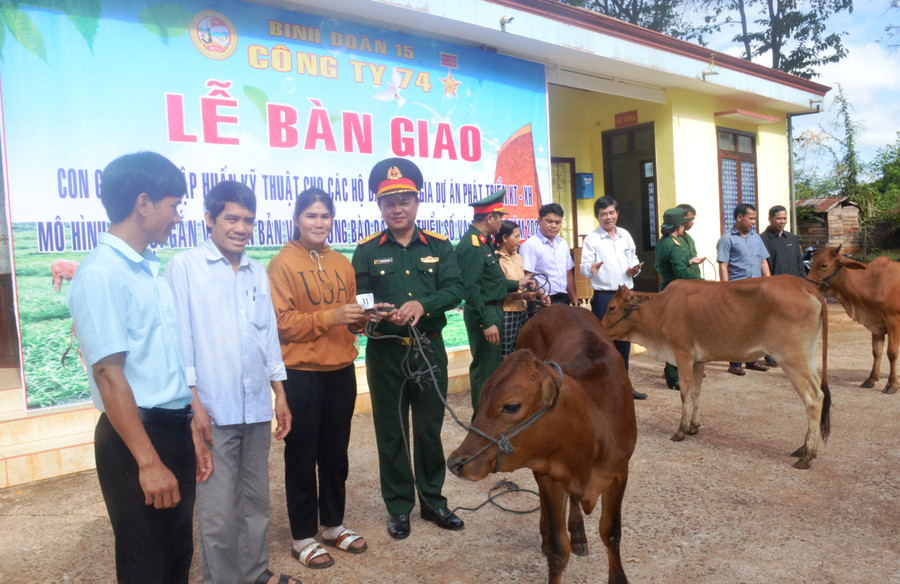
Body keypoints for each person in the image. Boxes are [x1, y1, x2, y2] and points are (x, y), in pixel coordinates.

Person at [67, 151, 211, 584]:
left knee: (176, 557)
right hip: (135, 440)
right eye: (174, 205)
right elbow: (109, 374)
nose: (178, 216)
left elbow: (162, 362)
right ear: (144, 203)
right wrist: (148, 462)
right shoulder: (102, 274)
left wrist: (190, 421)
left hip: (171, 429)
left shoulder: (148, 271)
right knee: (145, 563)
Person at [165, 181, 297, 584]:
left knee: (256, 503)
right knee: (218, 511)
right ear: (209, 219)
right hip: (213, 411)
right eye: (232, 219)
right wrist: (194, 405)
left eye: (249, 221)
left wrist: (280, 395)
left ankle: (256, 573)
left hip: (256, 405)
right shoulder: (185, 268)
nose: (241, 228)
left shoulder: (257, 271)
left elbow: (267, 337)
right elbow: (179, 343)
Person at [351, 157, 465, 540]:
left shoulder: (439, 245)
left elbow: (455, 289)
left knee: (430, 429)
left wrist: (423, 304)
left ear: (417, 202)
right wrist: (376, 312)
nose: (396, 208)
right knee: (392, 430)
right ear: (379, 207)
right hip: (385, 353)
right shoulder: (367, 250)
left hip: (429, 350)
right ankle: (399, 507)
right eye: (388, 202)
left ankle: (433, 502)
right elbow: (361, 297)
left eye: (404, 200)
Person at [267, 188, 368, 568]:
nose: (319, 223)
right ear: (296, 219)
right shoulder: (281, 265)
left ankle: (333, 524)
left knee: (335, 455)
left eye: (325, 216)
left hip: (341, 371)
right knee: (301, 456)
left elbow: (350, 314)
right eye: (311, 215)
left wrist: (361, 318)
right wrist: (332, 317)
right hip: (301, 374)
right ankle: (302, 536)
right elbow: (281, 323)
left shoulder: (342, 262)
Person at [456, 190, 531, 412]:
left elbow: (491, 282)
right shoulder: (472, 246)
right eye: (499, 217)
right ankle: (481, 423)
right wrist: (486, 322)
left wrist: (519, 284)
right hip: (486, 314)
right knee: (485, 371)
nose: (502, 221)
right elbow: (471, 289)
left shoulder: (483, 242)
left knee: (493, 369)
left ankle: (491, 418)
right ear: (490, 218)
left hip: (493, 310)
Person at [579, 195, 647, 400]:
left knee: (624, 342)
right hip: (604, 297)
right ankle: (604, 388)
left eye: (611, 213)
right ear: (597, 217)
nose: (608, 217)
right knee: (604, 343)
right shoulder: (592, 239)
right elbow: (583, 268)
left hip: (625, 295)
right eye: (603, 214)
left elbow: (632, 258)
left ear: (617, 213)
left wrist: (634, 269)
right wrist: (591, 268)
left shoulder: (625, 235)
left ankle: (624, 386)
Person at [716, 203, 771, 376]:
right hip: (737, 290)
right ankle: (735, 363)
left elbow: (763, 261)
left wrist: (770, 284)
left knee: (756, 325)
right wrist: (726, 289)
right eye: (751, 218)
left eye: (755, 218)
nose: (753, 222)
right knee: (737, 326)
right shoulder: (727, 239)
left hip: (757, 289)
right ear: (740, 217)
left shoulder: (756, 238)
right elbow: (723, 265)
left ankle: (752, 360)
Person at [654, 207, 704, 390]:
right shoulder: (674, 245)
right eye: (683, 224)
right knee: (678, 337)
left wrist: (690, 262)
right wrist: (704, 283)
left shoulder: (663, 242)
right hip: (677, 295)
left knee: (674, 336)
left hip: (668, 291)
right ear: (679, 226)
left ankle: (675, 372)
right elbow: (681, 272)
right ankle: (675, 375)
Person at [495, 220, 544, 357]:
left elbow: (521, 282)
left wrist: (531, 284)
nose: (519, 240)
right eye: (516, 236)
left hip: (523, 310)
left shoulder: (518, 257)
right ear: (505, 238)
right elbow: (499, 290)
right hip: (507, 312)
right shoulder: (497, 260)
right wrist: (523, 296)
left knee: (523, 350)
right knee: (506, 353)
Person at [519, 203, 577, 305]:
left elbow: (568, 275)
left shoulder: (563, 244)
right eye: (549, 221)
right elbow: (528, 276)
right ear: (539, 221)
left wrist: (575, 301)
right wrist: (541, 294)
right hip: (541, 300)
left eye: (558, 222)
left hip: (563, 299)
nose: (554, 226)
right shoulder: (530, 245)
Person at [676, 203, 706, 278]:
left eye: (693, 219)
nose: (692, 223)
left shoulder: (689, 239)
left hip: (694, 283)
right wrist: (689, 262)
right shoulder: (670, 240)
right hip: (681, 285)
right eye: (690, 219)